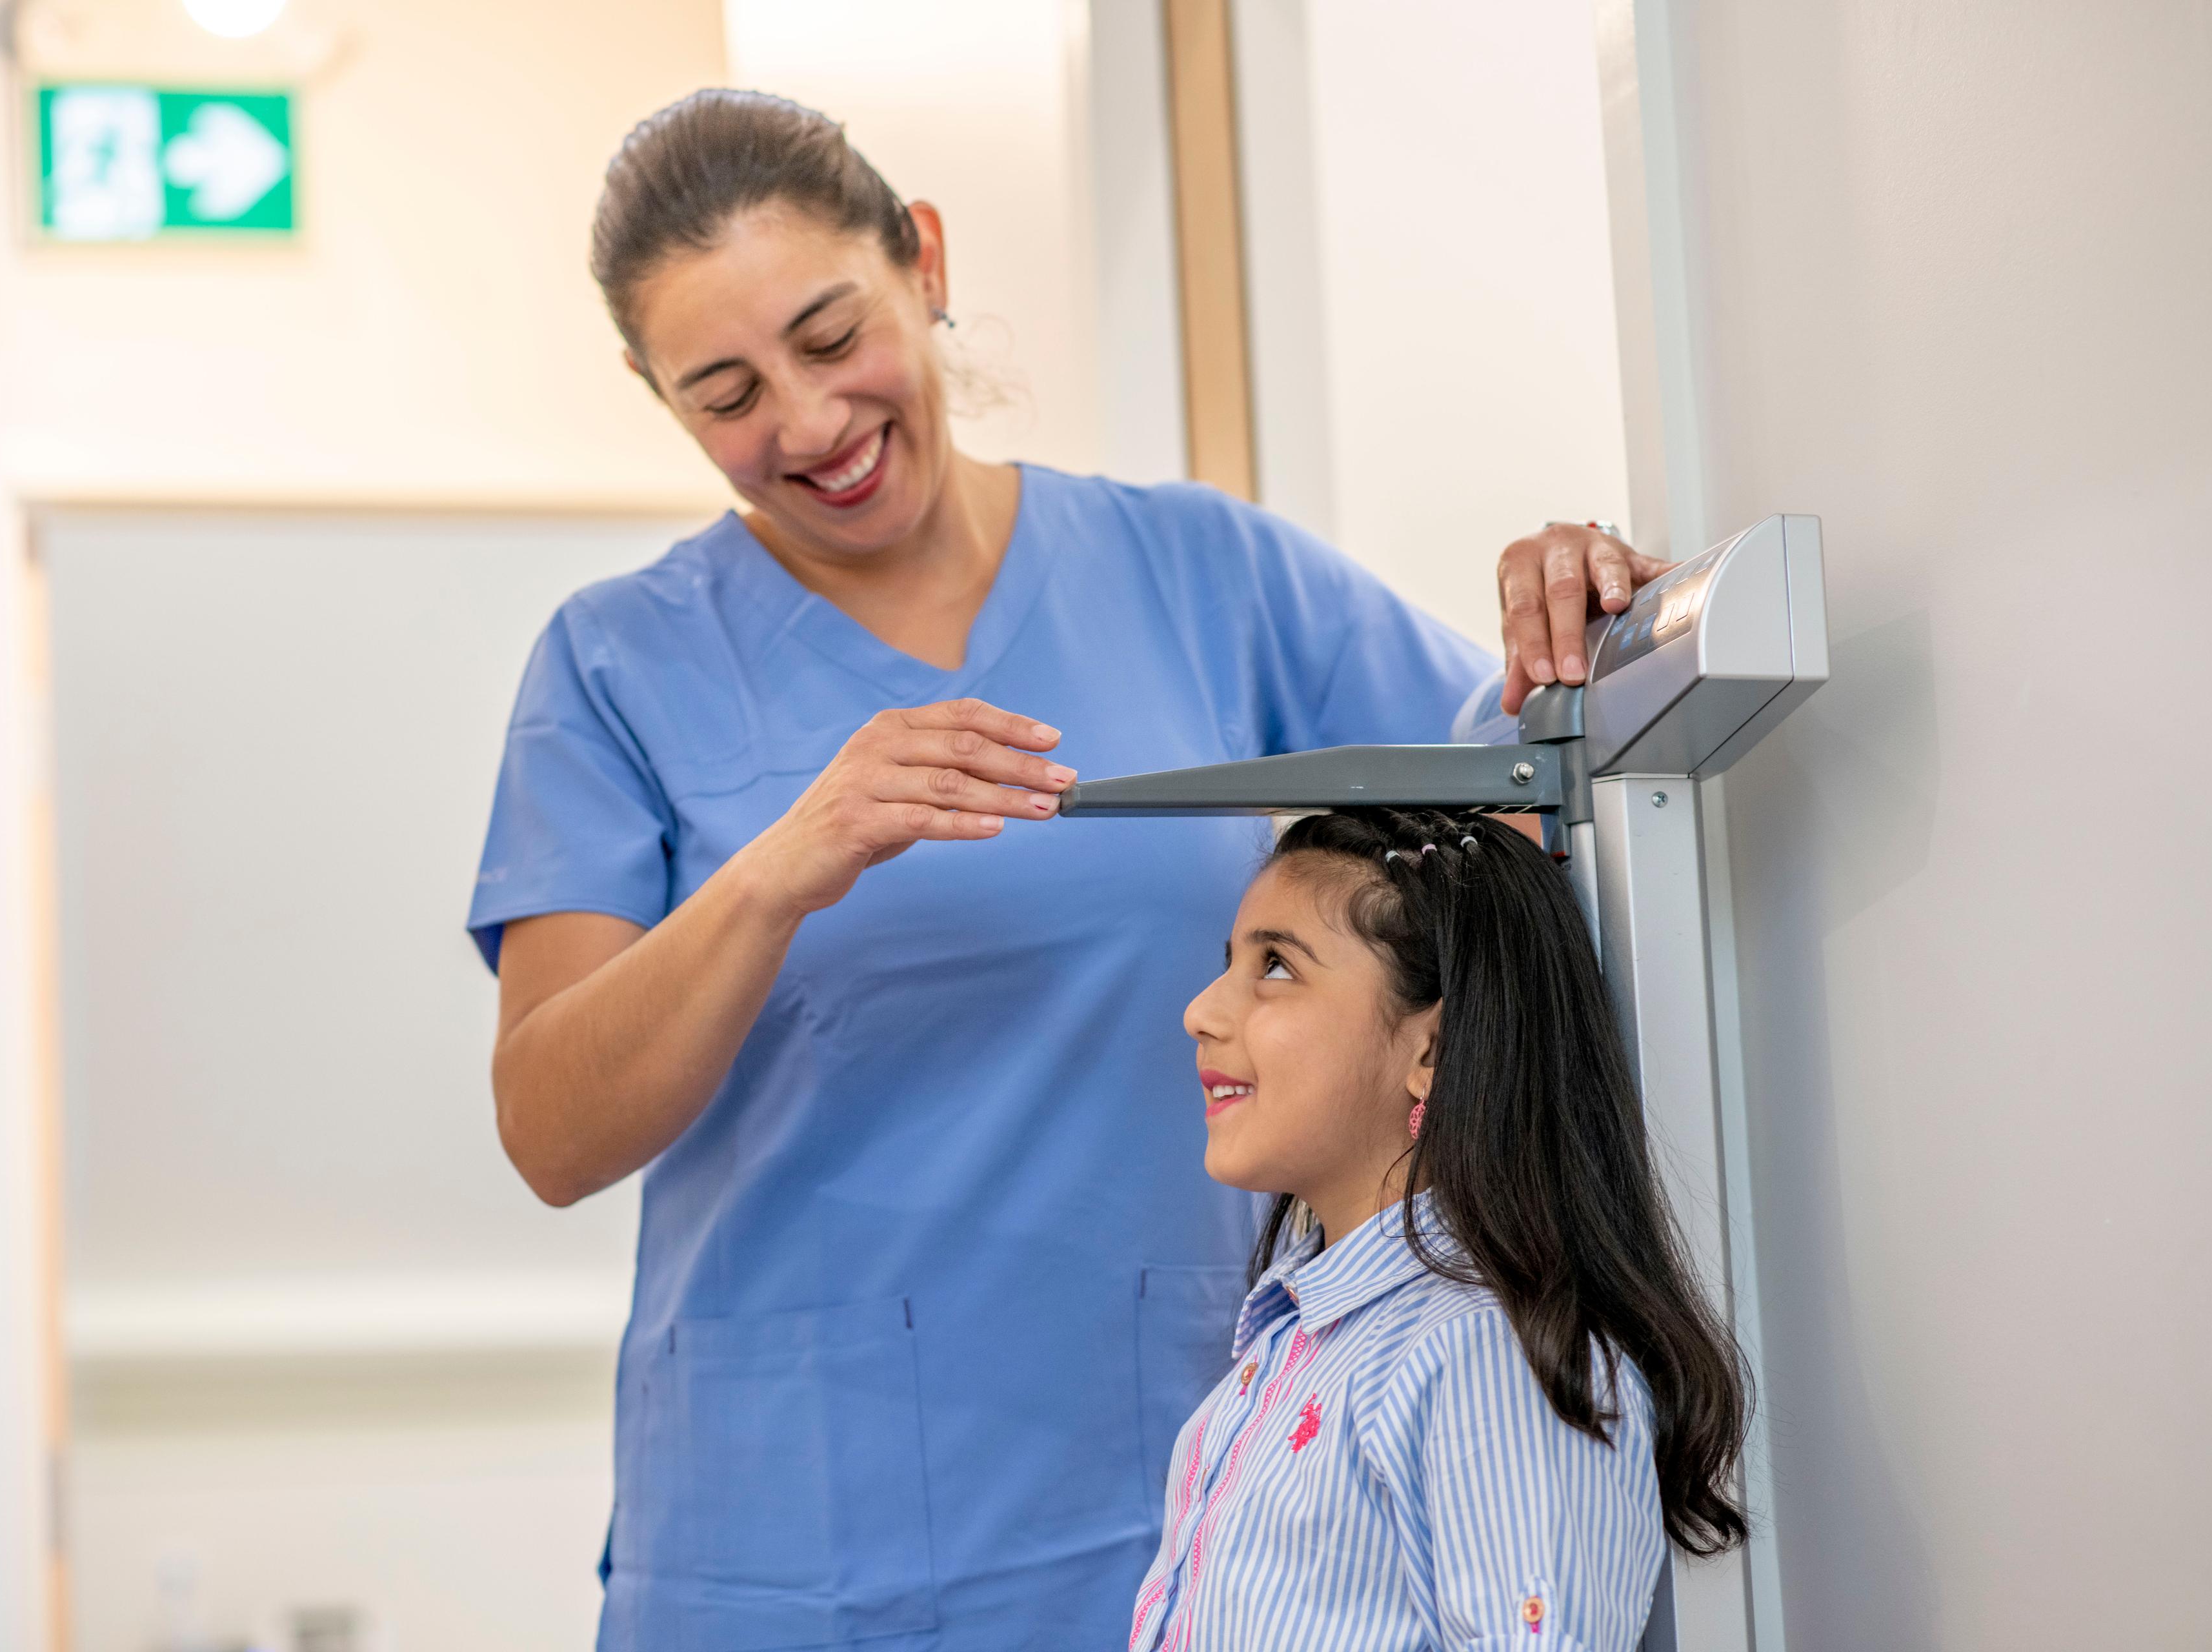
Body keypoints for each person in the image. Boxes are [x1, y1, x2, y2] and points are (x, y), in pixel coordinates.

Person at [469, 87, 1661, 1651]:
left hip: (1173, 1489)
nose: (811, 422)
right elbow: (553, 1127)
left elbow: (1508, 789)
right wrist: (784, 866)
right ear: (660, 397)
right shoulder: (617, 665)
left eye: (832, 338)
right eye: (727, 392)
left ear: (925, 262)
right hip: (779, 1539)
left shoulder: (1204, 574)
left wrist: (1573, 616)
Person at [1128, 808, 1749, 1651]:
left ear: (1433, 1051)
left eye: (1275, 965)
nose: (1203, 1011)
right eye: (1229, 963)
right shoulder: (1296, 1345)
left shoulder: (1488, 1359)